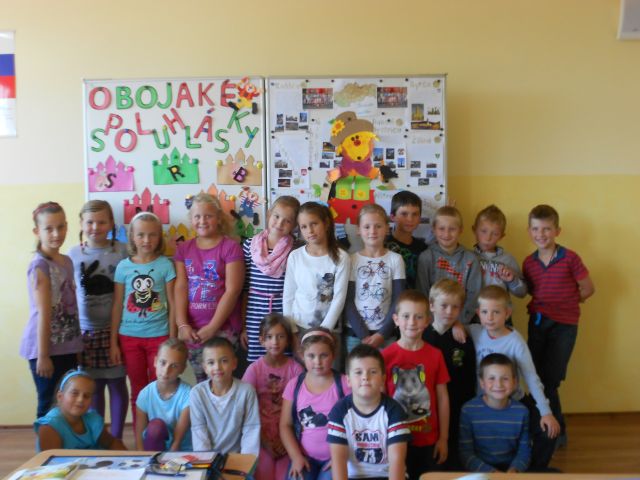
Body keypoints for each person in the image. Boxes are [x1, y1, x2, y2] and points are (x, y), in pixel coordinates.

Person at [523, 205, 595, 448]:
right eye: (536, 229)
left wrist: (569, 302)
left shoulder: (570, 258)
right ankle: (542, 428)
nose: (541, 234)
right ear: (529, 231)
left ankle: (557, 431)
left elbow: (588, 288)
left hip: (564, 326)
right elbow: (533, 290)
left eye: (546, 229)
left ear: (557, 231)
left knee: (551, 379)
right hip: (538, 323)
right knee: (535, 377)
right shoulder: (529, 262)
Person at [467, 285, 560, 470]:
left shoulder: (515, 341)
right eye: (485, 312)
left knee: (548, 431)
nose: (489, 317)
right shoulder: (475, 331)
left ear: (507, 313)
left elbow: (531, 376)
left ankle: (533, 471)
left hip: (514, 400)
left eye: (496, 312)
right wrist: (456, 326)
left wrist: (546, 412)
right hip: (484, 401)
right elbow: (457, 326)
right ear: (478, 313)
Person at [68, 200, 128, 439]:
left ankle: (117, 437)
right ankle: (99, 437)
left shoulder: (122, 251)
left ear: (111, 223)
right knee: (93, 387)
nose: (95, 227)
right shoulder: (73, 254)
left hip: (115, 331)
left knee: (116, 383)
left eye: (102, 222)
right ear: (81, 224)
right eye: (90, 222)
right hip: (85, 332)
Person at [110, 211, 176, 426]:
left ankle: (159, 433)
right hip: (129, 338)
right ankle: (141, 436)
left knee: (161, 386)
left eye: (152, 235)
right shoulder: (123, 267)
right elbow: (118, 305)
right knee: (138, 389)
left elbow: (173, 303)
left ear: (159, 237)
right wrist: (113, 342)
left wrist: (172, 338)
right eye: (141, 235)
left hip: (160, 337)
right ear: (132, 237)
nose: (146, 240)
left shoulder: (166, 265)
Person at [20, 202, 83, 419]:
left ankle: (64, 441)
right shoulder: (40, 266)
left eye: (61, 226)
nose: (56, 234)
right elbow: (44, 313)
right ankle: (46, 442)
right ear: (37, 231)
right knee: (48, 403)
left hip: (67, 344)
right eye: (49, 229)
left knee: (68, 404)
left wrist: (76, 345)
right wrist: (43, 355)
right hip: (45, 349)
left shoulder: (67, 261)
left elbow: (72, 306)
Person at [175, 193, 245, 382]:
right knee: (201, 382)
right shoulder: (183, 249)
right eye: (197, 216)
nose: (202, 221)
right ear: (191, 219)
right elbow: (181, 287)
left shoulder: (230, 247)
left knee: (223, 382)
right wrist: (182, 324)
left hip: (224, 329)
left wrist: (213, 327)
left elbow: (233, 290)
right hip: (194, 331)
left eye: (208, 216)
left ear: (219, 218)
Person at [382, 290, 450, 480]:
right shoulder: (385, 356)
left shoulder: (435, 355)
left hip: (428, 438)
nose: (412, 322)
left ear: (427, 321)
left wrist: (443, 438)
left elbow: (443, 398)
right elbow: (381, 401)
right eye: (406, 316)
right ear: (396, 319)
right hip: (395, 440)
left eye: (418, 317)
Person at [328, 344, 411, 480]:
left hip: (386, 475)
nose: (365, 377)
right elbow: (338, 461)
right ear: (348, 380)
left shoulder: (394, 411)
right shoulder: (339, 412)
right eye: (358, 372)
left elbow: (397, 462)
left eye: (372, 372)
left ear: (383, 379)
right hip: (353, 477)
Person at [280, 328, 350, 480]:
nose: (317, 362)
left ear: (333, 355)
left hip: (336, 457)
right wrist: (296, 457)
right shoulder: (294, 385)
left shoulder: (345, 383)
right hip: (304, 457)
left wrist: (342, 456)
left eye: (323, 355)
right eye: (311, 356)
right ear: (302, 355)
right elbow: (285, 425)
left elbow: (358, 424)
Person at [422, 279, 476, 471]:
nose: (449, 312)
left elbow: (470, 376)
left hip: (456, 406)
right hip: (427, 408)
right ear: (431, 305)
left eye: (455, 307)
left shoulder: (463, 339)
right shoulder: (421, 336)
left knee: (453, 456)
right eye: (443, 305)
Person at [242, 314, 304, 480]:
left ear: (288, 340)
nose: (275, 342)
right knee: (263, 474)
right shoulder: (254, 370)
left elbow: (301, 411)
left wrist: (287, 441)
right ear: (261, 340)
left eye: (280, 336)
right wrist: (264, 441)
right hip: (260, 439)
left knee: (286, 475)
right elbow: (245, 409)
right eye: (269, 337)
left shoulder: (296, 370)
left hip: (289, 440)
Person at [242, 195, 299, 363]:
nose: (280, 223)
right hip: (254, 312)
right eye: (277, 216)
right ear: (268, 215)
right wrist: (244, 326)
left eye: (287, 221)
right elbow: (244, 289)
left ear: (294, 225)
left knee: (283, 359)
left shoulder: (295, 250)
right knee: (257, 361)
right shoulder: (249, 245)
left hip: (282, 311)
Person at [283, 202, 350, 338]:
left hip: (328, 329)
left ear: (326, 223)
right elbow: (288, 296)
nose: (310, 230)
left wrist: (324, 331)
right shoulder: (295, 256)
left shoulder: (341, 257)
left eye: (314, 224)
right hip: (298, 327)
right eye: (304, 227)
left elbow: (339, 298)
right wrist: (292, 329)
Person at [344, 204, 405, 352]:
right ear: (358, 229)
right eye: (367, 227)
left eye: (378, 226)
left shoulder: (396, 259)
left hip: (386, 334)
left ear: (387, 228)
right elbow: (347, 300)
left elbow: (398, 300)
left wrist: (382, 335)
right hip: (355, 334)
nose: (372, 231)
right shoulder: (351, 260)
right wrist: (363, 335)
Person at [459, 354, 530, 472]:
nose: (499, 384)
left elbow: (524, 452)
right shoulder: (468, 410)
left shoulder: (522, 412)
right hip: (480, 471)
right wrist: (493, 474)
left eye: (505, 378)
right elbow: (466, 454)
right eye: (492, 378)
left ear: (514, 382)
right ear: (482, 383)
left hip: (511, 472)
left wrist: (514, 471)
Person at [189, 337, 260, 454]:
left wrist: (245, 462)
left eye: (224, 361)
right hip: (208, 459)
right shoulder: (197, 393)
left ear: (234, 363)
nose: (217, 367)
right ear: (205, 368)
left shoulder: (246, 391)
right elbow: (199, 433)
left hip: (238, 458)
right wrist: (207, 463)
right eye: (211, 363)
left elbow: (251, 431)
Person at [416, 206, 482, 324]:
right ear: (434, 229)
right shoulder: (426, 258)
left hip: (462, 323)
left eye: (452, 229)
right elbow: (422, 292)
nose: (446, 234)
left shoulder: (471, 259)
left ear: (460, 230)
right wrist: (433, 321)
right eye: (441, 228)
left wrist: (458, 322)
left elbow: (474, 296)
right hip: (432, 323)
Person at [34, 369, 127, 451]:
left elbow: (111, 443)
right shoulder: (49, 426)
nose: (80, 400)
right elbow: (53, 462)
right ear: (60, 396)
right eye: (74, 393)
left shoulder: (93, 419)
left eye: (86, 396)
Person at [136, 338, 191, 451]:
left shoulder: (189, 394)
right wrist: (142, 458)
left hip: (181, 450)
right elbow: (140, 436)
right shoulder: (145, 394)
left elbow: (177, 442)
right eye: (163, 363)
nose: (166, 371)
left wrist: (169, 461)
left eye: (174, 366)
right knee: (155, 427)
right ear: (155, 361)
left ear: (182, 369)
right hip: (154, 449)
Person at [472, 205, 527, 298]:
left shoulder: (508, 260)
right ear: (474, 230)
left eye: (495, 234)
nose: (488, 238)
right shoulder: (468, 257)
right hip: (475, 307)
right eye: (483, 231)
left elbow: (522, 293)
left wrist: (512, 280)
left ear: (501, 236)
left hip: (500, 307)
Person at [385, 191, 428, 289]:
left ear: (420, 218)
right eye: (404, 214)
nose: (410, 219)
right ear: (393, 217)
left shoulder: (423, 248)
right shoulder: (384, 246)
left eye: (415, 214)